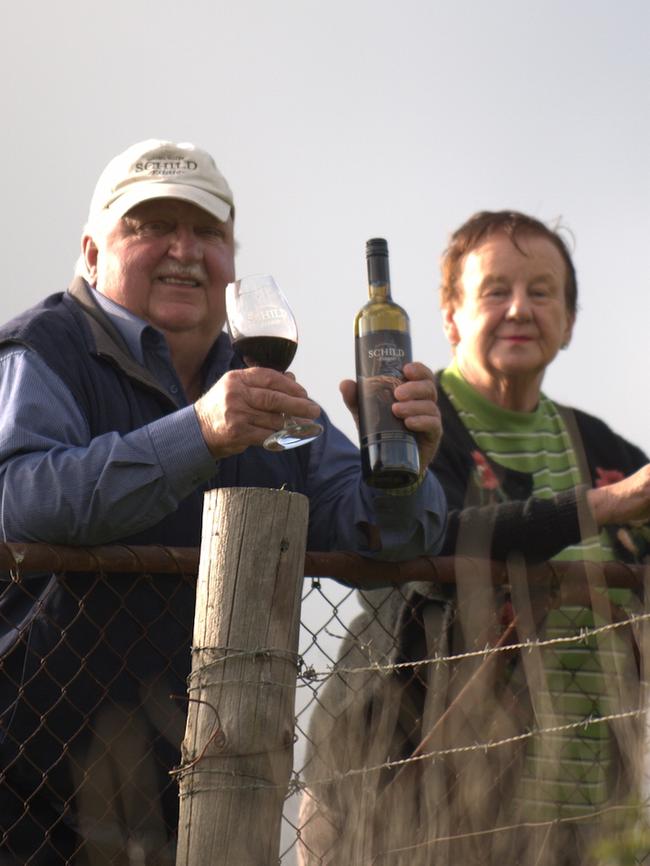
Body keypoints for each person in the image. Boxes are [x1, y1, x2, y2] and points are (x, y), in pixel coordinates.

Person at [0, 139, 447, 865]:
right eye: (150, 226)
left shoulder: (257, 374)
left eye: (208, 232)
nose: (184, 250)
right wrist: (199, 433)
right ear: (90, 251)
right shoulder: (42, 348)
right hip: (28, 785)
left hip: (211, 790)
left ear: (232, 260)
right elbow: (22, 501)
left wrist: (403, 474)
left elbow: (372, 535)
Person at [299, 210, 650, 866]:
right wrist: (606, 507)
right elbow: (434, 542)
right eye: (495, 290)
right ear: (451, 314)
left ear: (569, 321)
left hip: (580, 809)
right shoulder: (418, 428)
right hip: (402, 797)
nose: (520, 308)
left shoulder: (605, 448)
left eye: (542, 292)